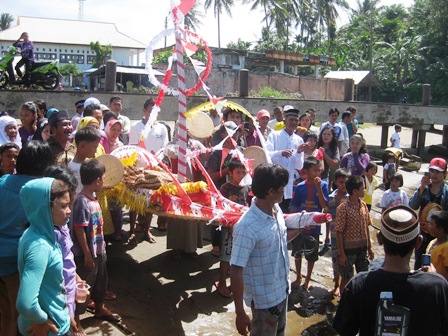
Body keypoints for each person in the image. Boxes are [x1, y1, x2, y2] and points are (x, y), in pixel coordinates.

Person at [333, 205, 448, 336]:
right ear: (418, 242)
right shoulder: (437, 287)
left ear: (379, 239)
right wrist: (436, 279)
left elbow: (345, 330)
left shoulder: (358, 285)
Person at [230, 163, 303, 336]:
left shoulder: (276, 210)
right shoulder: (247, 227)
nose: (285, 191)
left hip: (282, 291)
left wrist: (301, 226)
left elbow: (279, 241)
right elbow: (235, 270)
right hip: (264, 302)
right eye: (282, 188)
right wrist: (240, 312)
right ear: (271, 191)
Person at [0, 140, 52, 336]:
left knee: (5, 313)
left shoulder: (3, 181)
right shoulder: (39, 190)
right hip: (17, 262)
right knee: (20, 316)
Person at [16, 178, 72, 336]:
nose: (69, 211)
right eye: (63, 206)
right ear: (44, 209)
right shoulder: (40, 247)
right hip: (50, 330)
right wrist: (42, 320)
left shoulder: (34, 233)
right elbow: (25, 303)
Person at [71, 159, 121, 323]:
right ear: (97, 180)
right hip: (86, 255)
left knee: (101, 281)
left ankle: (99, 308)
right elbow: (79, 229)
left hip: (99, 251)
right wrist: (86, 254)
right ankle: (76, 319)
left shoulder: (92, 198)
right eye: (103, 178)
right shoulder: (81, 201)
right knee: (83, 285)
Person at [290, 156, 329, 290]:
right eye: (315, 170)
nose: (318, 173)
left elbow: (324, 206)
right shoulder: (300, 187)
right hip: (300, 226)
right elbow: (294, 206)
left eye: (319, 171)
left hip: (314, 227)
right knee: (297, 252)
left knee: (312, 255)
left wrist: (318, 188)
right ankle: (298, 276)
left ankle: (308, 278)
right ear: (306, 171)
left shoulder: (323, 186)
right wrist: (290, 223)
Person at [215, 158, 251, 298]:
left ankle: (235, 283)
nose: (241, 175)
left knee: (240, 256)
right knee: (226, 255)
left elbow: (248, 207)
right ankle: (222, 282)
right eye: (238, 172)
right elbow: (220, 208)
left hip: (242, 228)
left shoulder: (247, 188)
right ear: (230, 173)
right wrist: (230, 225)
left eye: (243, 172)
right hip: (228, 228)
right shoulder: (225, 188)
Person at [335, 175, 374, 293]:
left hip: (362, 250)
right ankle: (343, 304)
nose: (365, 190)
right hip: (348, 251)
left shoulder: (363, 206)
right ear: (355, 191)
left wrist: (370, 247)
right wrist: (342, 254)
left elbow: (366, 226)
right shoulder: (343, 208)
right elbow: (339, 232)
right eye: (363, 188)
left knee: (364, 277)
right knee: (346, 278)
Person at [410, 157, 448, 270]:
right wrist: (421, 189)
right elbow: (412, 206)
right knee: (419, 264)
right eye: (432, 171)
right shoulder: (424, 188)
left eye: (438, 171)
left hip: (441, 235)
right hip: (423, 234)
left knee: (439, 266)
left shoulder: (446, 192)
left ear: (445, 173)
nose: (434, 174)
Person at [266, 107, 305, 213]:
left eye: (296, 120)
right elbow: (267, 155)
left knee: (284, 211)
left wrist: (299, 152)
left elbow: (299, 166)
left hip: (288, 184)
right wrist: (280, 153)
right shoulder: (274, 135)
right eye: (291, 119)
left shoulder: (299, 140)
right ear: (284, 121)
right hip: (273, 180)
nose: (293, 122)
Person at [325, 168, 350, 296]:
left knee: (347, 260)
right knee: (335, 260)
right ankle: (336, 284)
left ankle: (344, 285)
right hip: (334, 235)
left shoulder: (351, 198)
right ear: (335, 182)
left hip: (348, 236)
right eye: (341, 182)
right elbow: (328, 218)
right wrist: (326, 236)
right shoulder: (330, 198)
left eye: (346, 182)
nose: (343, 185)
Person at [426, 211, 448, 280]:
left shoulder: (446, 248)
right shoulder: (432, 242)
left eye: (431, 224)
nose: (429, 226)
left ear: (440, 230)